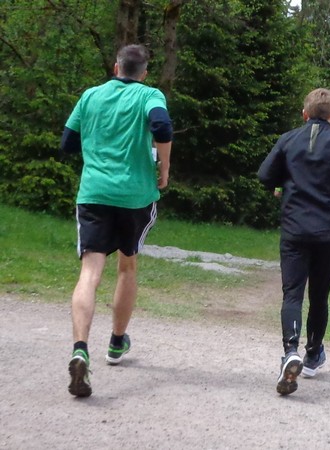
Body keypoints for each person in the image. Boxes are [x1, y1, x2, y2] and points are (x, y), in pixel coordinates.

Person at [60, 45, 173, 397]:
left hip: (94, 193)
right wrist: (164, 167)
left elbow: (68, 143)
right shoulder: (150, 95)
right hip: (135, 196)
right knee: (127, 266)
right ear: (144, 73)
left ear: (115, 67)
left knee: (89, 273)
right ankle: (116, 342)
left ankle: (80, 349)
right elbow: (162, 126)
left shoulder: (90, 96)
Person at [257, 88, 330, 396]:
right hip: (329, 230)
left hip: (295, 227)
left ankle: (290, 351)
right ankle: (313, 354)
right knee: (319, 296)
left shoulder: (288, 139)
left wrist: (283, 182)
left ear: (304, 114)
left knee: (292, 294)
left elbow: (264, 175)